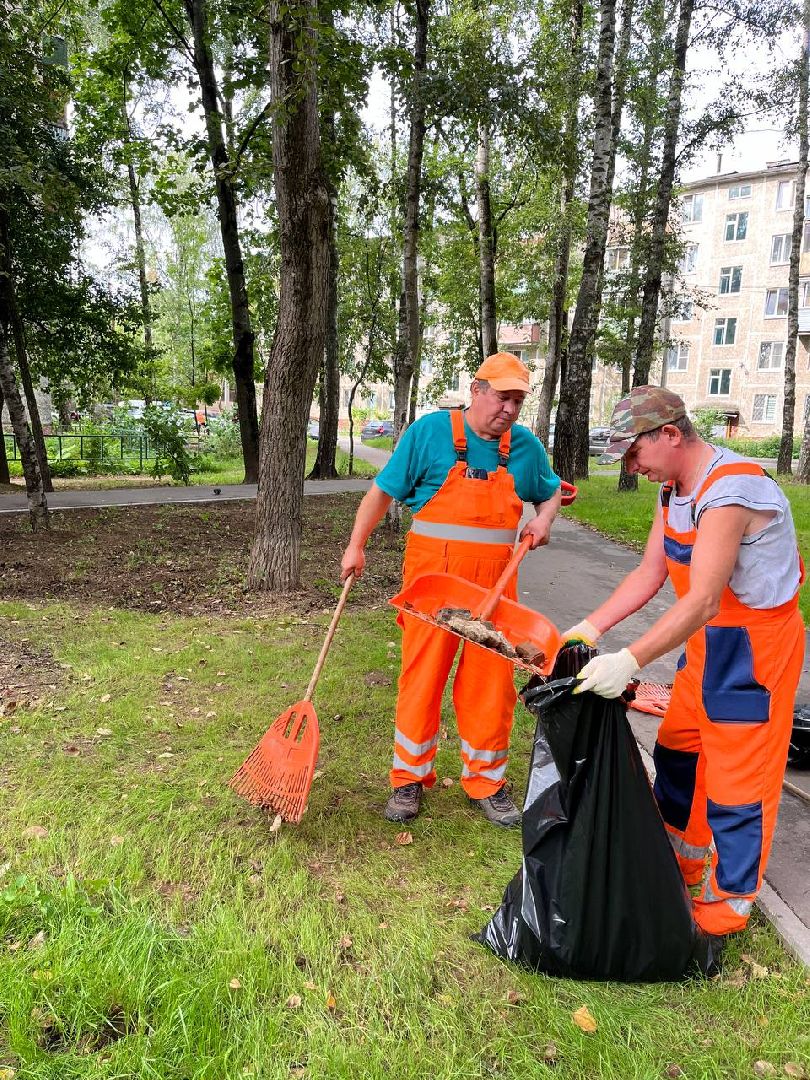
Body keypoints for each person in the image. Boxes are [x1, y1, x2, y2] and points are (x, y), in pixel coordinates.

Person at [563, 385, 804, 936]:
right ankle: (679, 864)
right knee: (678, 755)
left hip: (754, 656)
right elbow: (651, 573)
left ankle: (727, 907)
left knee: (738, 782)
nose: (631, 466)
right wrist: (591, 625)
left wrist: (629, 659)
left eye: (633, 453)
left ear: (670, 434)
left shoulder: (733, 488)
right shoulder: (673, 488)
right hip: (705, 646)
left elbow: (702, 599)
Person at [340, 352, 562, 828]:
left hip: (496, 589)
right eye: (502, 397)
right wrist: (356, 546)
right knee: (422, 677)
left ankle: (486, 781)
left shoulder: (525, 447)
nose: (509, 409)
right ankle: (408, 778)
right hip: (433, 586)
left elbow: (551, 491)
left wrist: (543, 519)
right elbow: (381, 491)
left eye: (518, 401)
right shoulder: (428, 433)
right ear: (476, 391)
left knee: (491, 684)